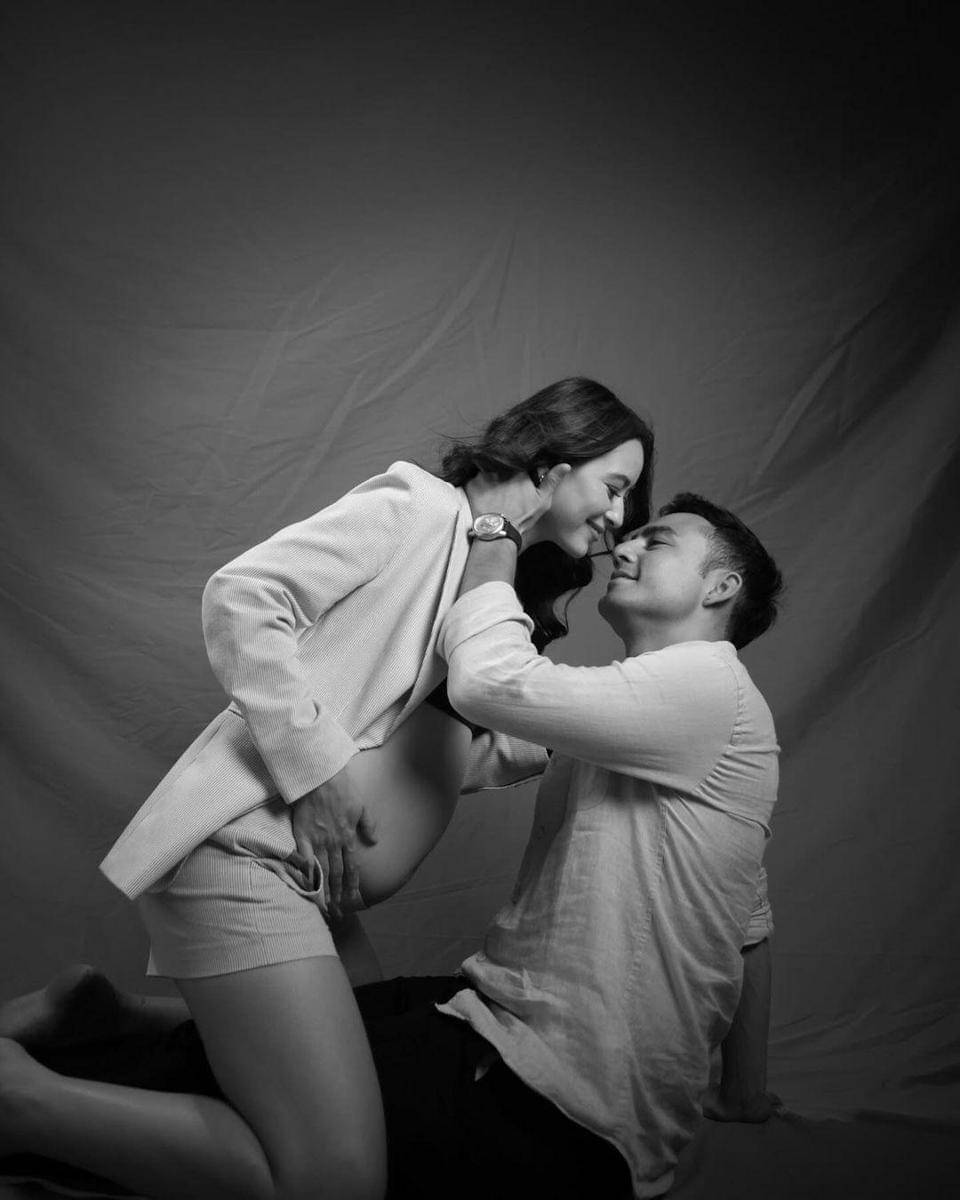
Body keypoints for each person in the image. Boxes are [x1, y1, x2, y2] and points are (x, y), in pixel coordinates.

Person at [0, 485, 783, 1199]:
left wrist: (493, 538)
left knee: (296, 1123)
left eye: (659, 539)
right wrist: (743, 1094)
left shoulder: (707, 687)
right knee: (317, 1045)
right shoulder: (655, 716)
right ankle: (106, 1023)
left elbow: (493, 685)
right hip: (494, 1026)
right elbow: (746, 920)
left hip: (557, 1105)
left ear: (720, 588)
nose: (628, 542)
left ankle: (33, 1088)